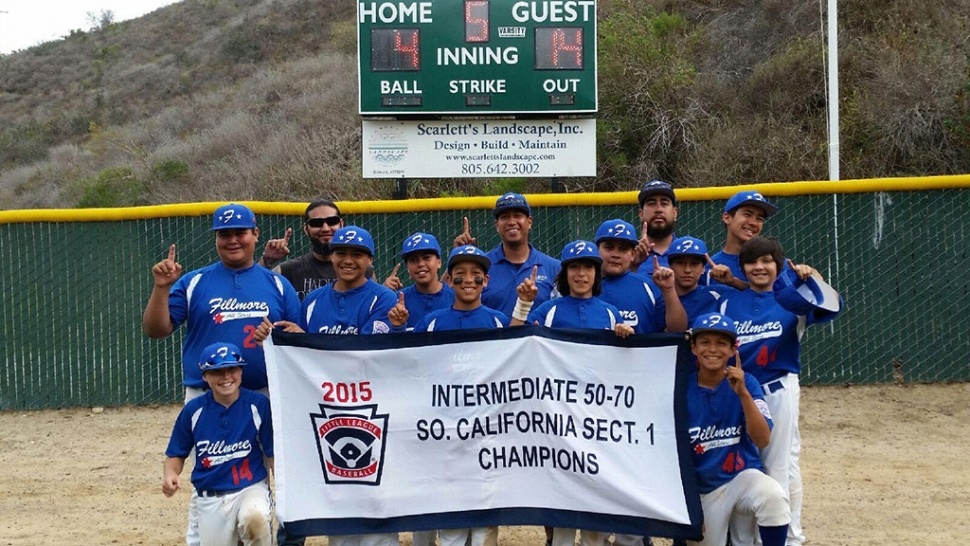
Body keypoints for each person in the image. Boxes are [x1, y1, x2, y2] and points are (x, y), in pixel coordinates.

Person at [143, 203, 300, 546]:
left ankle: (265, 533)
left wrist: (282, 333)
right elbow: (157, 329)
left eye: (240, 232)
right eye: (224, 234)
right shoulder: (194, 281)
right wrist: (161, 288)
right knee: (213, 472)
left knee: (271, 471)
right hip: (206, 394)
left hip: (266, 393)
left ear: (255, 235)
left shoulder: (278, 284)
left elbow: (297, 337)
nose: (232, 240)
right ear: (215, 238)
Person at [716, 237, 842, 546]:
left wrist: (813, 278)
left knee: (778, 465)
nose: (759, 267)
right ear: (743, 267)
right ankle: (746, 538)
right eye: (752, 262)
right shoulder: (728, 301)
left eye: (766, 261)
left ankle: (783, 537)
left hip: (777, 389)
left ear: (777, 265)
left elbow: (832, 304)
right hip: (738, 391)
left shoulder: (793, 299)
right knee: (744, 464)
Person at [411, 244, 508, 546]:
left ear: (486, 282)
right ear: (449, 280)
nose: (469, 281)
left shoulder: (497, 321)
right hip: (445, 429)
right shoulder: (432, 322)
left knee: (484, 515)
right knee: (451, 516)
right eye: (461, 275)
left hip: (486, 430)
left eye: (477, 276)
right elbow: (410, 369)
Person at [685, 314, 790, 546]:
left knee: (773, 497)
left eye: (721, 343)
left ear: (733, 350)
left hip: (741, 477)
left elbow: (762, 440)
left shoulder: (748, 383)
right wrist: (689, 506)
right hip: (703, 489)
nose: (713, 349)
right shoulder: (681, 388)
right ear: (693, 348)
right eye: (705, 342)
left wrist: (743, 394)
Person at [162, 342, 274, 546]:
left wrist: (283, 490)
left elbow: (272, 452)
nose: (226, 377)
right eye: (216, 371)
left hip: (250, 488)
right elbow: (176, 453)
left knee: (255, 518)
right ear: (204, 376)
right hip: (211, 496)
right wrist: (171, 474)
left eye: (232, 369)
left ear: (241, 370)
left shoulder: (258, 405)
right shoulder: (193, 411)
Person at [454, 192, 561, 318]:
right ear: (497, 225)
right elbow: (449, 298)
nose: (511, 222)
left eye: (517, 215)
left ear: (529, 222)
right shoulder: (482, 266)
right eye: (505, 217)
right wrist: (458, 258)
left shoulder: (554, 268)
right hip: (493, 336)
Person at [259, 198, 374, 300]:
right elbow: (252, 293)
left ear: (341, 224)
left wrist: (385, 291)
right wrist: (267, 260)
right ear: (306, 229)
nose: (325, 228)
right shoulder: (288, 270)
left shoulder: (362, 269)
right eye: (316, 223)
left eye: (331, 221)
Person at [594, 218, 688, 334]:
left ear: (633, 254)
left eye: (623, 249)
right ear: (596, 250)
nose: (615, 254)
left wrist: (669, 290)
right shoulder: (583, 286)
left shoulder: (647, 286)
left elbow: (678, 330)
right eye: (609, 247)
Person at [383, 232, 455, 331]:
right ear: (408, 268)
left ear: (439, 262)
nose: (420, 264)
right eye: (413, 260)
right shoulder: (397, 301)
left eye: (426, 258)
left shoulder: (456, 298)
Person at [666, 236, 735, 324]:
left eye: (694, 264)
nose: (687, 270)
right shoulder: (661, 299)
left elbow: (753, 294)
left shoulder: (718, 294)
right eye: (680, 263)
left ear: (703, 268)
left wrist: (733, 282)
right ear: (670, 267)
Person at [630, 180, 680, 276]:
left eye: (664, 203)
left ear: (675, 213)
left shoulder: (689, 254)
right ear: (641, 214)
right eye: (651, 204)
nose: (658, 209)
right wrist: (631, 267)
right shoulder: (630, 256)